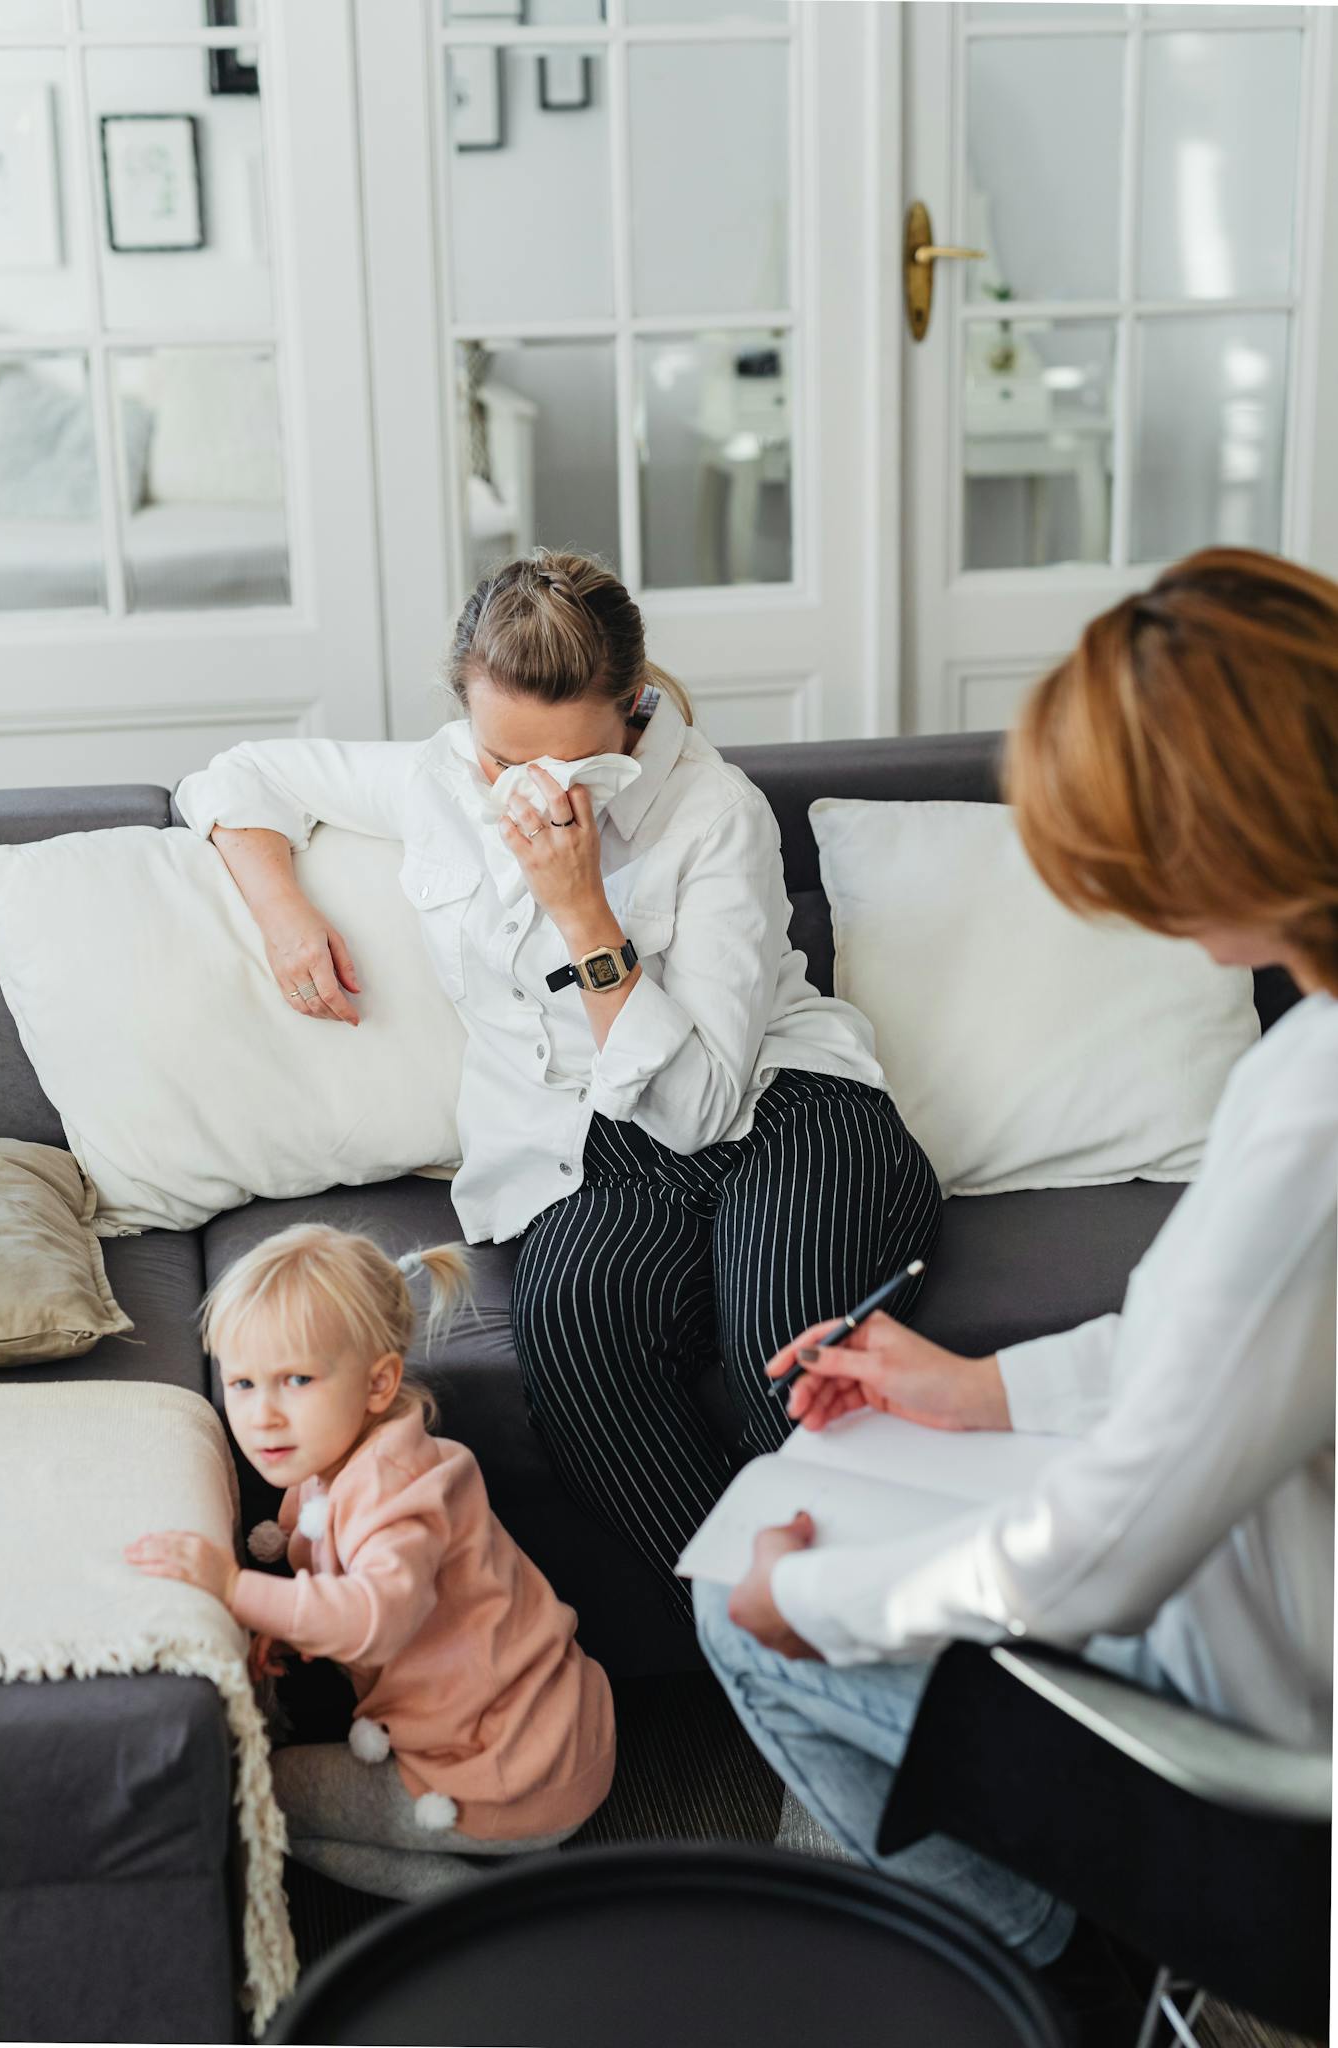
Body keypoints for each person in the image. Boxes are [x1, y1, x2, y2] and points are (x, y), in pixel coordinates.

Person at [695, 546, 1338, 1982]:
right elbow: (1264, 1340)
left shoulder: (1314, 1108)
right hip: (1276, 1612)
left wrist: (802, 1601)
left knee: (732, 1613)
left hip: (1278, 1762)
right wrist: (985, 1389)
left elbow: (1099, 1555)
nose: (1135, 906)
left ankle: (1036, 1976)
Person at [174, 551, 942, 1616]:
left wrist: (586, 915)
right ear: (466, 712)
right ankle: (780, 1631)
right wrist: (282, 910)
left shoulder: (715, 812)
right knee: (579, 1345)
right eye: (502, 758)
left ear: (632, 710)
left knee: (788, 1361)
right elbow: (233, 777)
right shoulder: (438, 778)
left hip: (778, 1107)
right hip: (589, 1149)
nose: (533, 793)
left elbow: (703, 1104)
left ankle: (909, 1644)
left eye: (577, 767)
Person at [125, 1222, 617, 1900]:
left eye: (295, 1379)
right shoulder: (348, 1457)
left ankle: (485, 1907)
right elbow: (325, 1555)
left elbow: (376, 1618)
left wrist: (233, 1587)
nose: (261, 1415)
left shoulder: (390, 1491)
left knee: (253, 1796)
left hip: (506, 1774)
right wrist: (282, 1627)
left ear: (379, 1383)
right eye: (241, 1383)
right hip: (555, 1727)